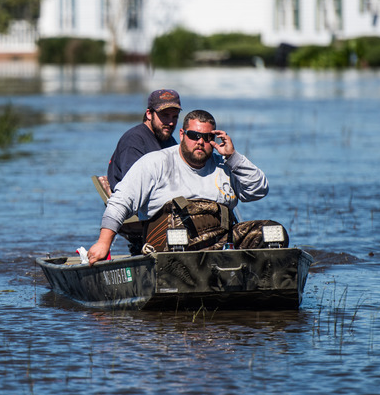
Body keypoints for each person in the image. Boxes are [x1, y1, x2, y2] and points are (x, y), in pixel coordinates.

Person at [87, 109, 269, 265]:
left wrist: (233, 157)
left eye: (207, 137)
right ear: (182, 134)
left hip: (221, 244)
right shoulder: (155, 162)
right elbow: (120, 201)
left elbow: (258, 189)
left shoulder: (225, 165)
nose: (200, 142)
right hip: (172, 248)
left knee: (271, 232)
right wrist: (104, 243)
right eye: (194, 135)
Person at [105, 89, 182, 191]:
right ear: (149, 114)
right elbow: (134, 185)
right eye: (165, 115)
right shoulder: (133, 140)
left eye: (175, 117)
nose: (171, 122)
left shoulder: (168, 139)